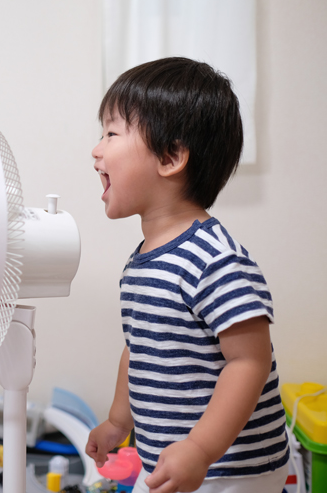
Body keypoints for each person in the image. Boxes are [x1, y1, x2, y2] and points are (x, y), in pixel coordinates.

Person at [85, 57, 289, 493]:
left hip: (232, 468)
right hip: (172, 460)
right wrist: (118, 422)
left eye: (111, 133)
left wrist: (199, 448)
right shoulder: (142, 261)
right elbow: (139, 349)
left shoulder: (214, 260)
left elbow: (249, 360)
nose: (96, 149)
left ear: (171, 156)